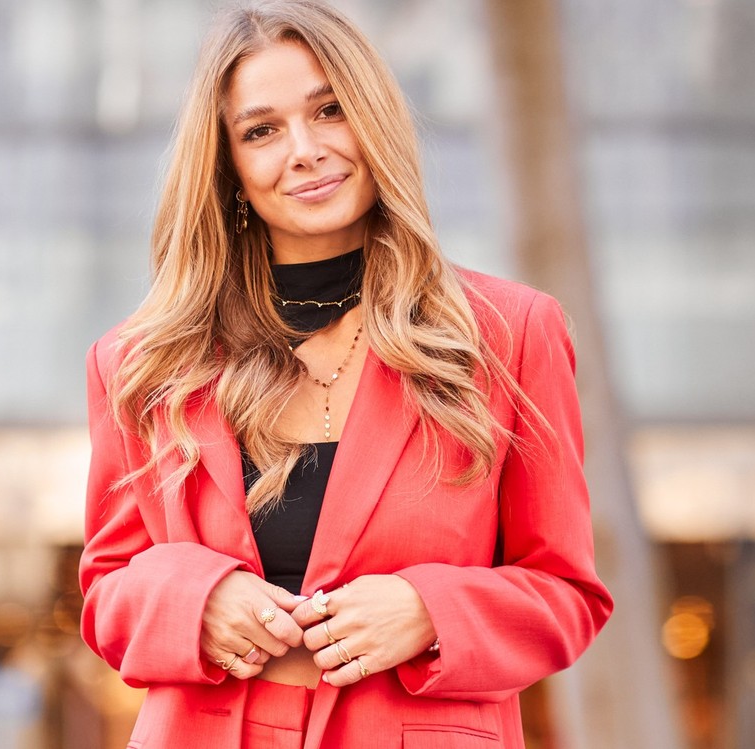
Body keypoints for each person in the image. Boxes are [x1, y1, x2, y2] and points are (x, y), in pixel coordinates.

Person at [78, 1, 613, 747]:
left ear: (374, 118)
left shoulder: (508, 333)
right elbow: (107, 587)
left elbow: (567, 594)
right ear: (227, 163)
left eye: (329, 110)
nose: (303, 150)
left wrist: (429, 609)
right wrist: (194, 600)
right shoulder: (141, 361)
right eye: (259, 130)